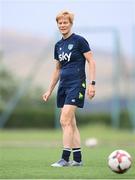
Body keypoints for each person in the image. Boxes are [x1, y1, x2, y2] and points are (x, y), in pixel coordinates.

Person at [42, 10, 96, 167]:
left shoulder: (79, 41)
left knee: (64, 119)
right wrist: (49, 90)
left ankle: (65, 158)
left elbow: (91, 61)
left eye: (65, 22)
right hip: (63, 86)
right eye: (60, 23)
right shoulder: (58, 45)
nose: (62, 25)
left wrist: (92, 85)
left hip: (77, 84)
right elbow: (57, 69)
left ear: (71, 24)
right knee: (71, 123)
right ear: (57, 25)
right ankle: (77, 159)